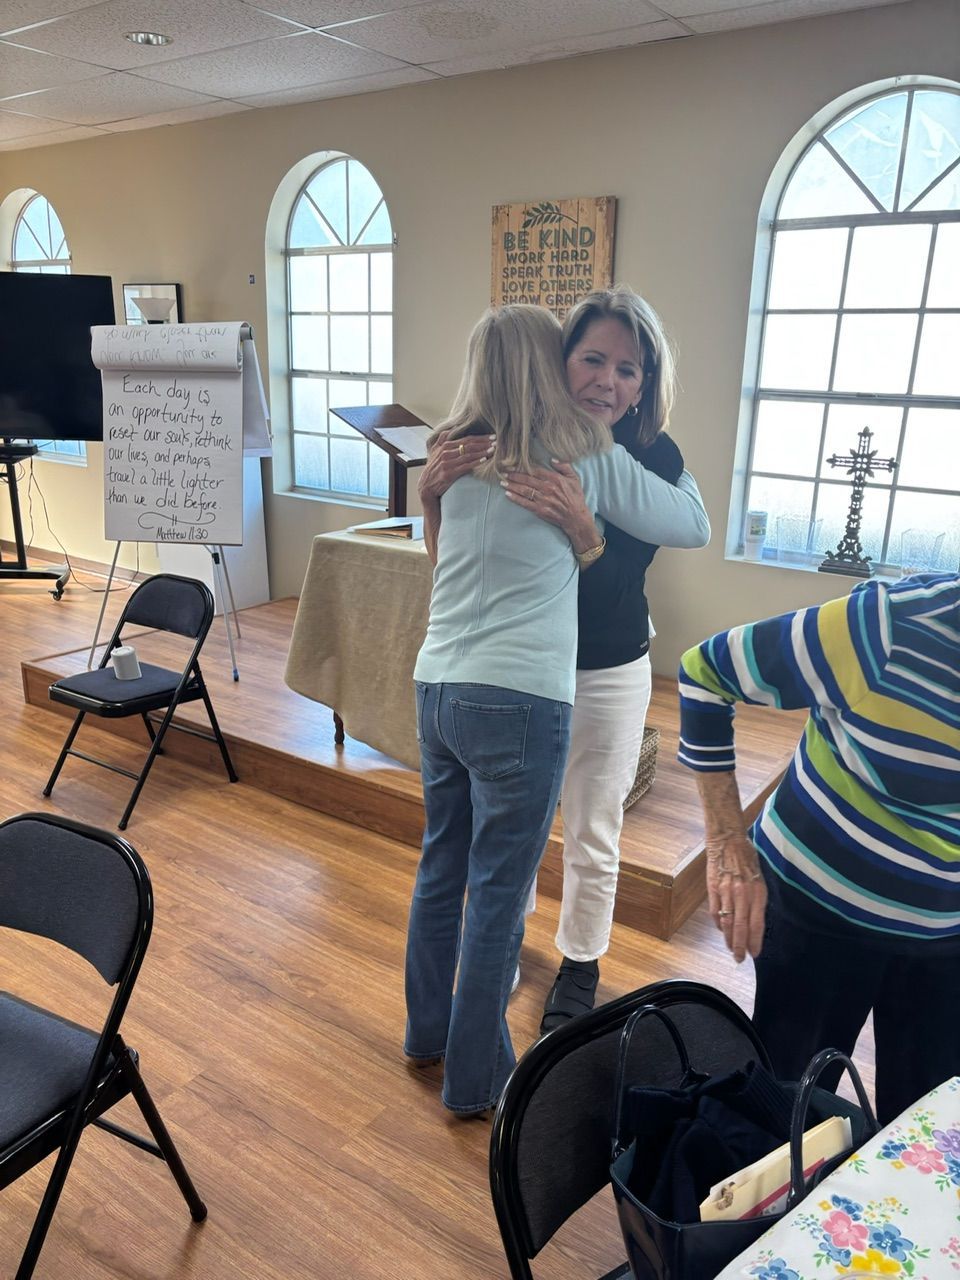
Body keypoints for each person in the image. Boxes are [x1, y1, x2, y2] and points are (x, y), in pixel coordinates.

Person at [405, 304, 710, 1116]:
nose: (607, 380)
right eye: (593, 360)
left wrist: (584, 530)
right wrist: (433, 499)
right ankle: (476, 1079)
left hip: (506, 676)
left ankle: (511, 995)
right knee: (497, 884)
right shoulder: (558, 449)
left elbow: (689, 523)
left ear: (646, 383)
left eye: (628, 368)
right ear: (558, 361)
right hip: (523, 685)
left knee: (524, 847)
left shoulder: (477, 443)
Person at [677, 573, 960, 1125]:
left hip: (946, 936)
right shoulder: (887, 627)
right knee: (790, 1112)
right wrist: (727, 843)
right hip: (818, 912)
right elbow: (703, 672)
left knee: (927, 1123)